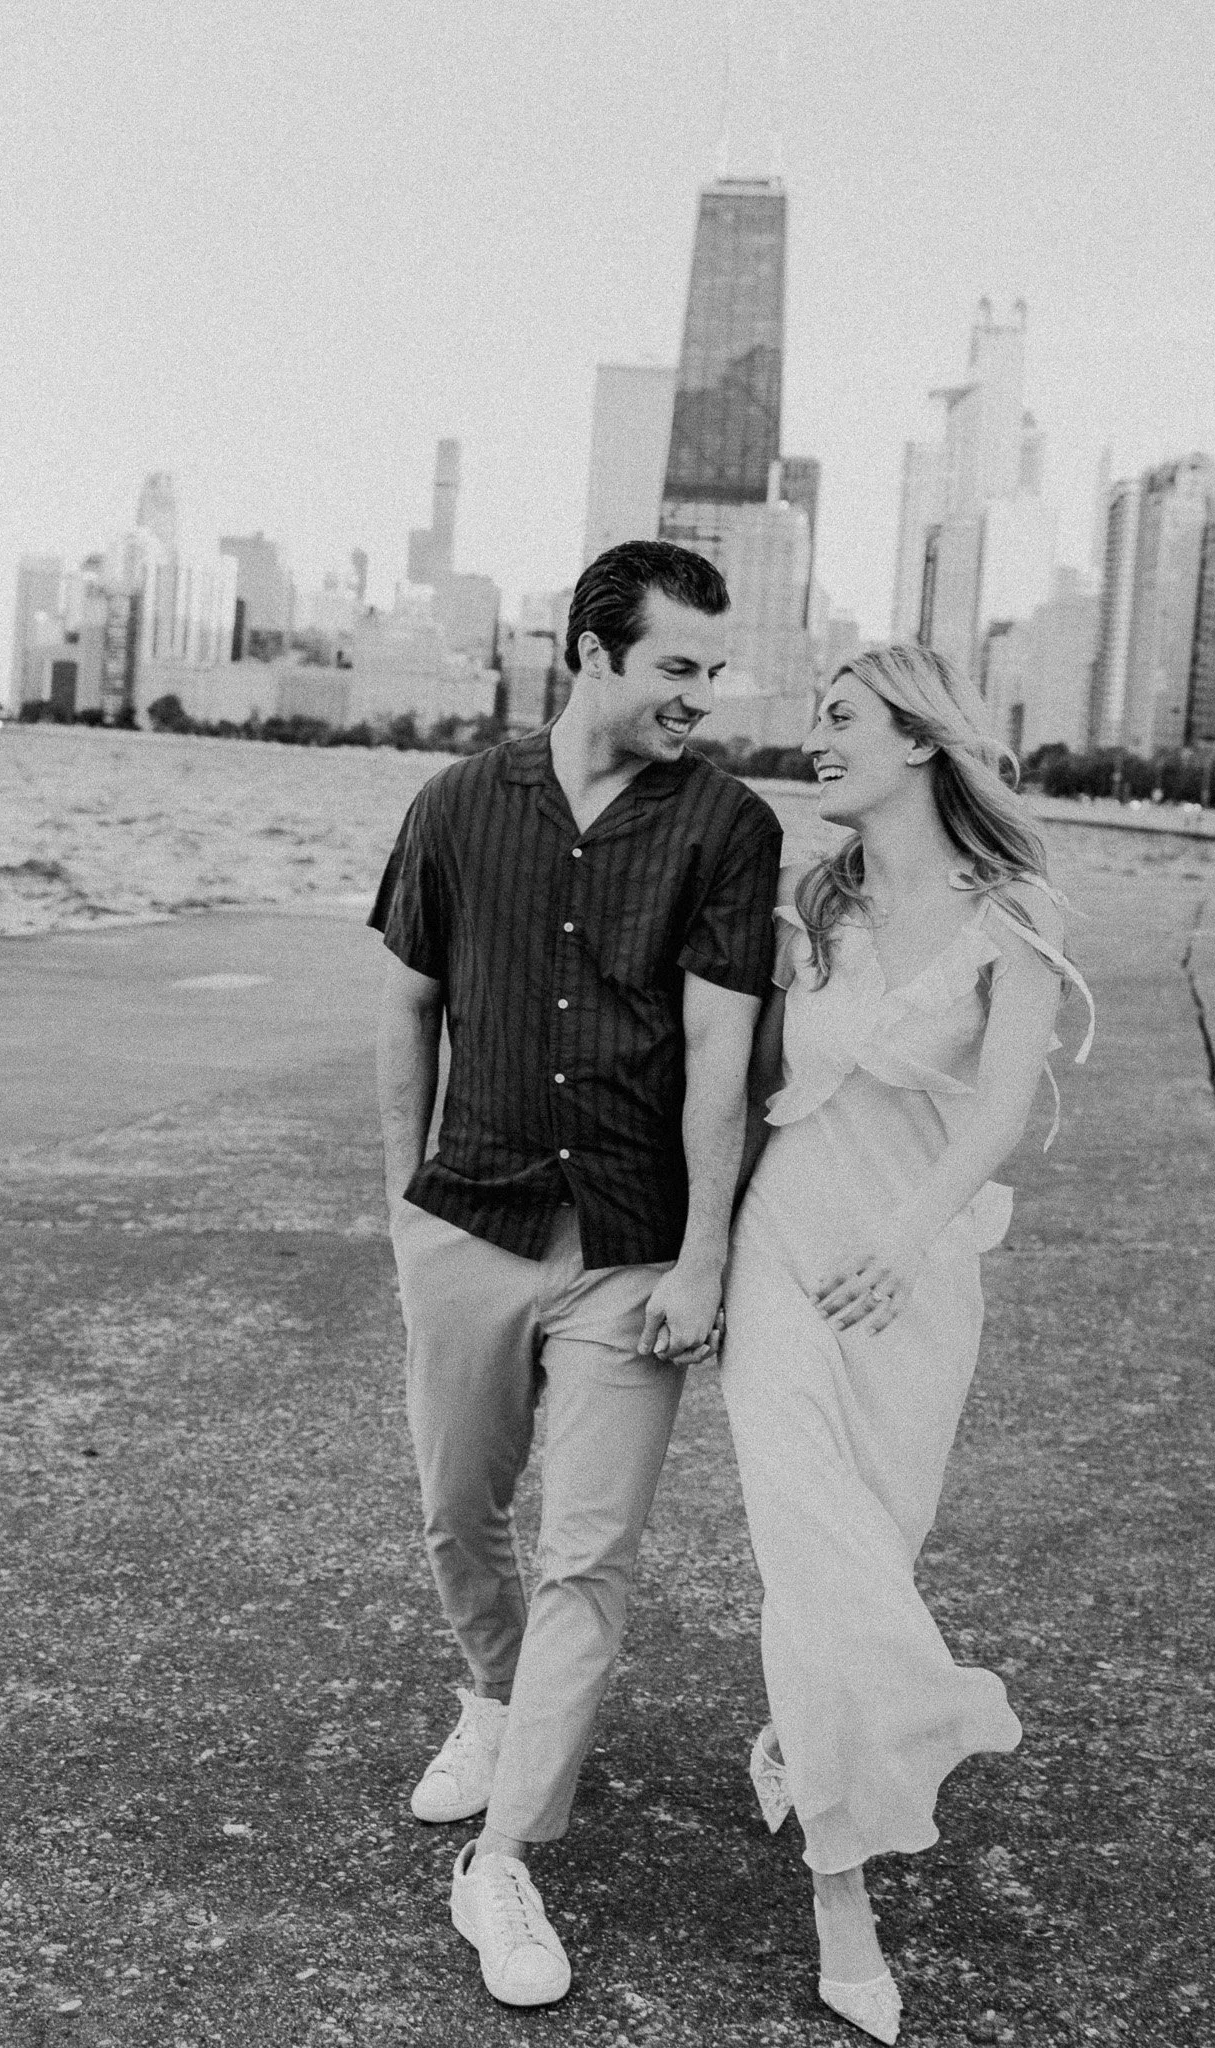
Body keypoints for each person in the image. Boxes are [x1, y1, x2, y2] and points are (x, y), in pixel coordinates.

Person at [370, 539, 782, 2007]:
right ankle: (491, 1698)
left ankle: (507, 1857)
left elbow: (721, 1063)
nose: (702, 698)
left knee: (590, 1556)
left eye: (712, 672)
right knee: (455, 1507)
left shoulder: (728, 826)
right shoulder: (457, 805)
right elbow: (408, 1003)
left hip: (629, 1246)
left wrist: (704, 1259)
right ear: (592, 655)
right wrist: (402, 1201)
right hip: (470, 1217)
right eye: (678, 667)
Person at [719, 644, 1093, 2044]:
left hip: (918, 1275)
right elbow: (747, 1085)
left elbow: (1000, 1111)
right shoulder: (809, 903)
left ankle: (809, 1739)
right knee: (814, 1549)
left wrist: (912, 1236)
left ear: (924, 741)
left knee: (870, 1549)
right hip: (788, 1253)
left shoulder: (1016, 912)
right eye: (813, 721)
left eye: (842, 721)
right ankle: (841, 1897)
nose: (816, 744)